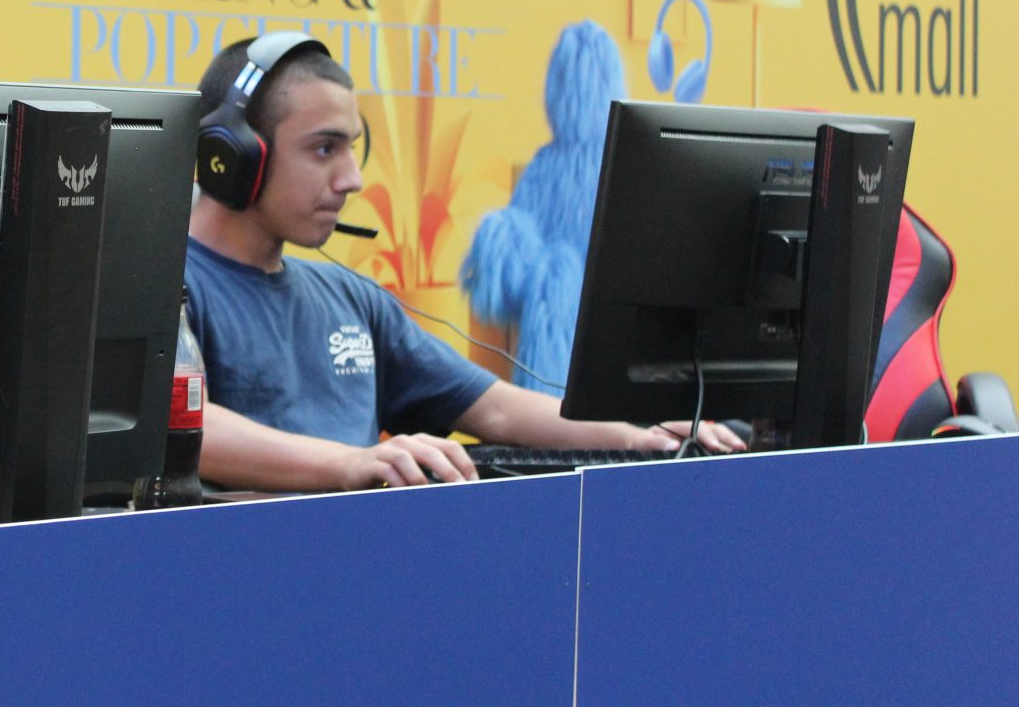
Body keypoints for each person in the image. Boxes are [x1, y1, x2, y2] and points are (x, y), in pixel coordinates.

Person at [186, 34, 746, 490]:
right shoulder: (166, 284)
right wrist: (351, 463)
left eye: (352, 148)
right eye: (324, 149)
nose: (352, 178)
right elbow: (188, 425)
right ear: (230, 159)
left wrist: (637, 438)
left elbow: (495, 408)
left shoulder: (351, 299)